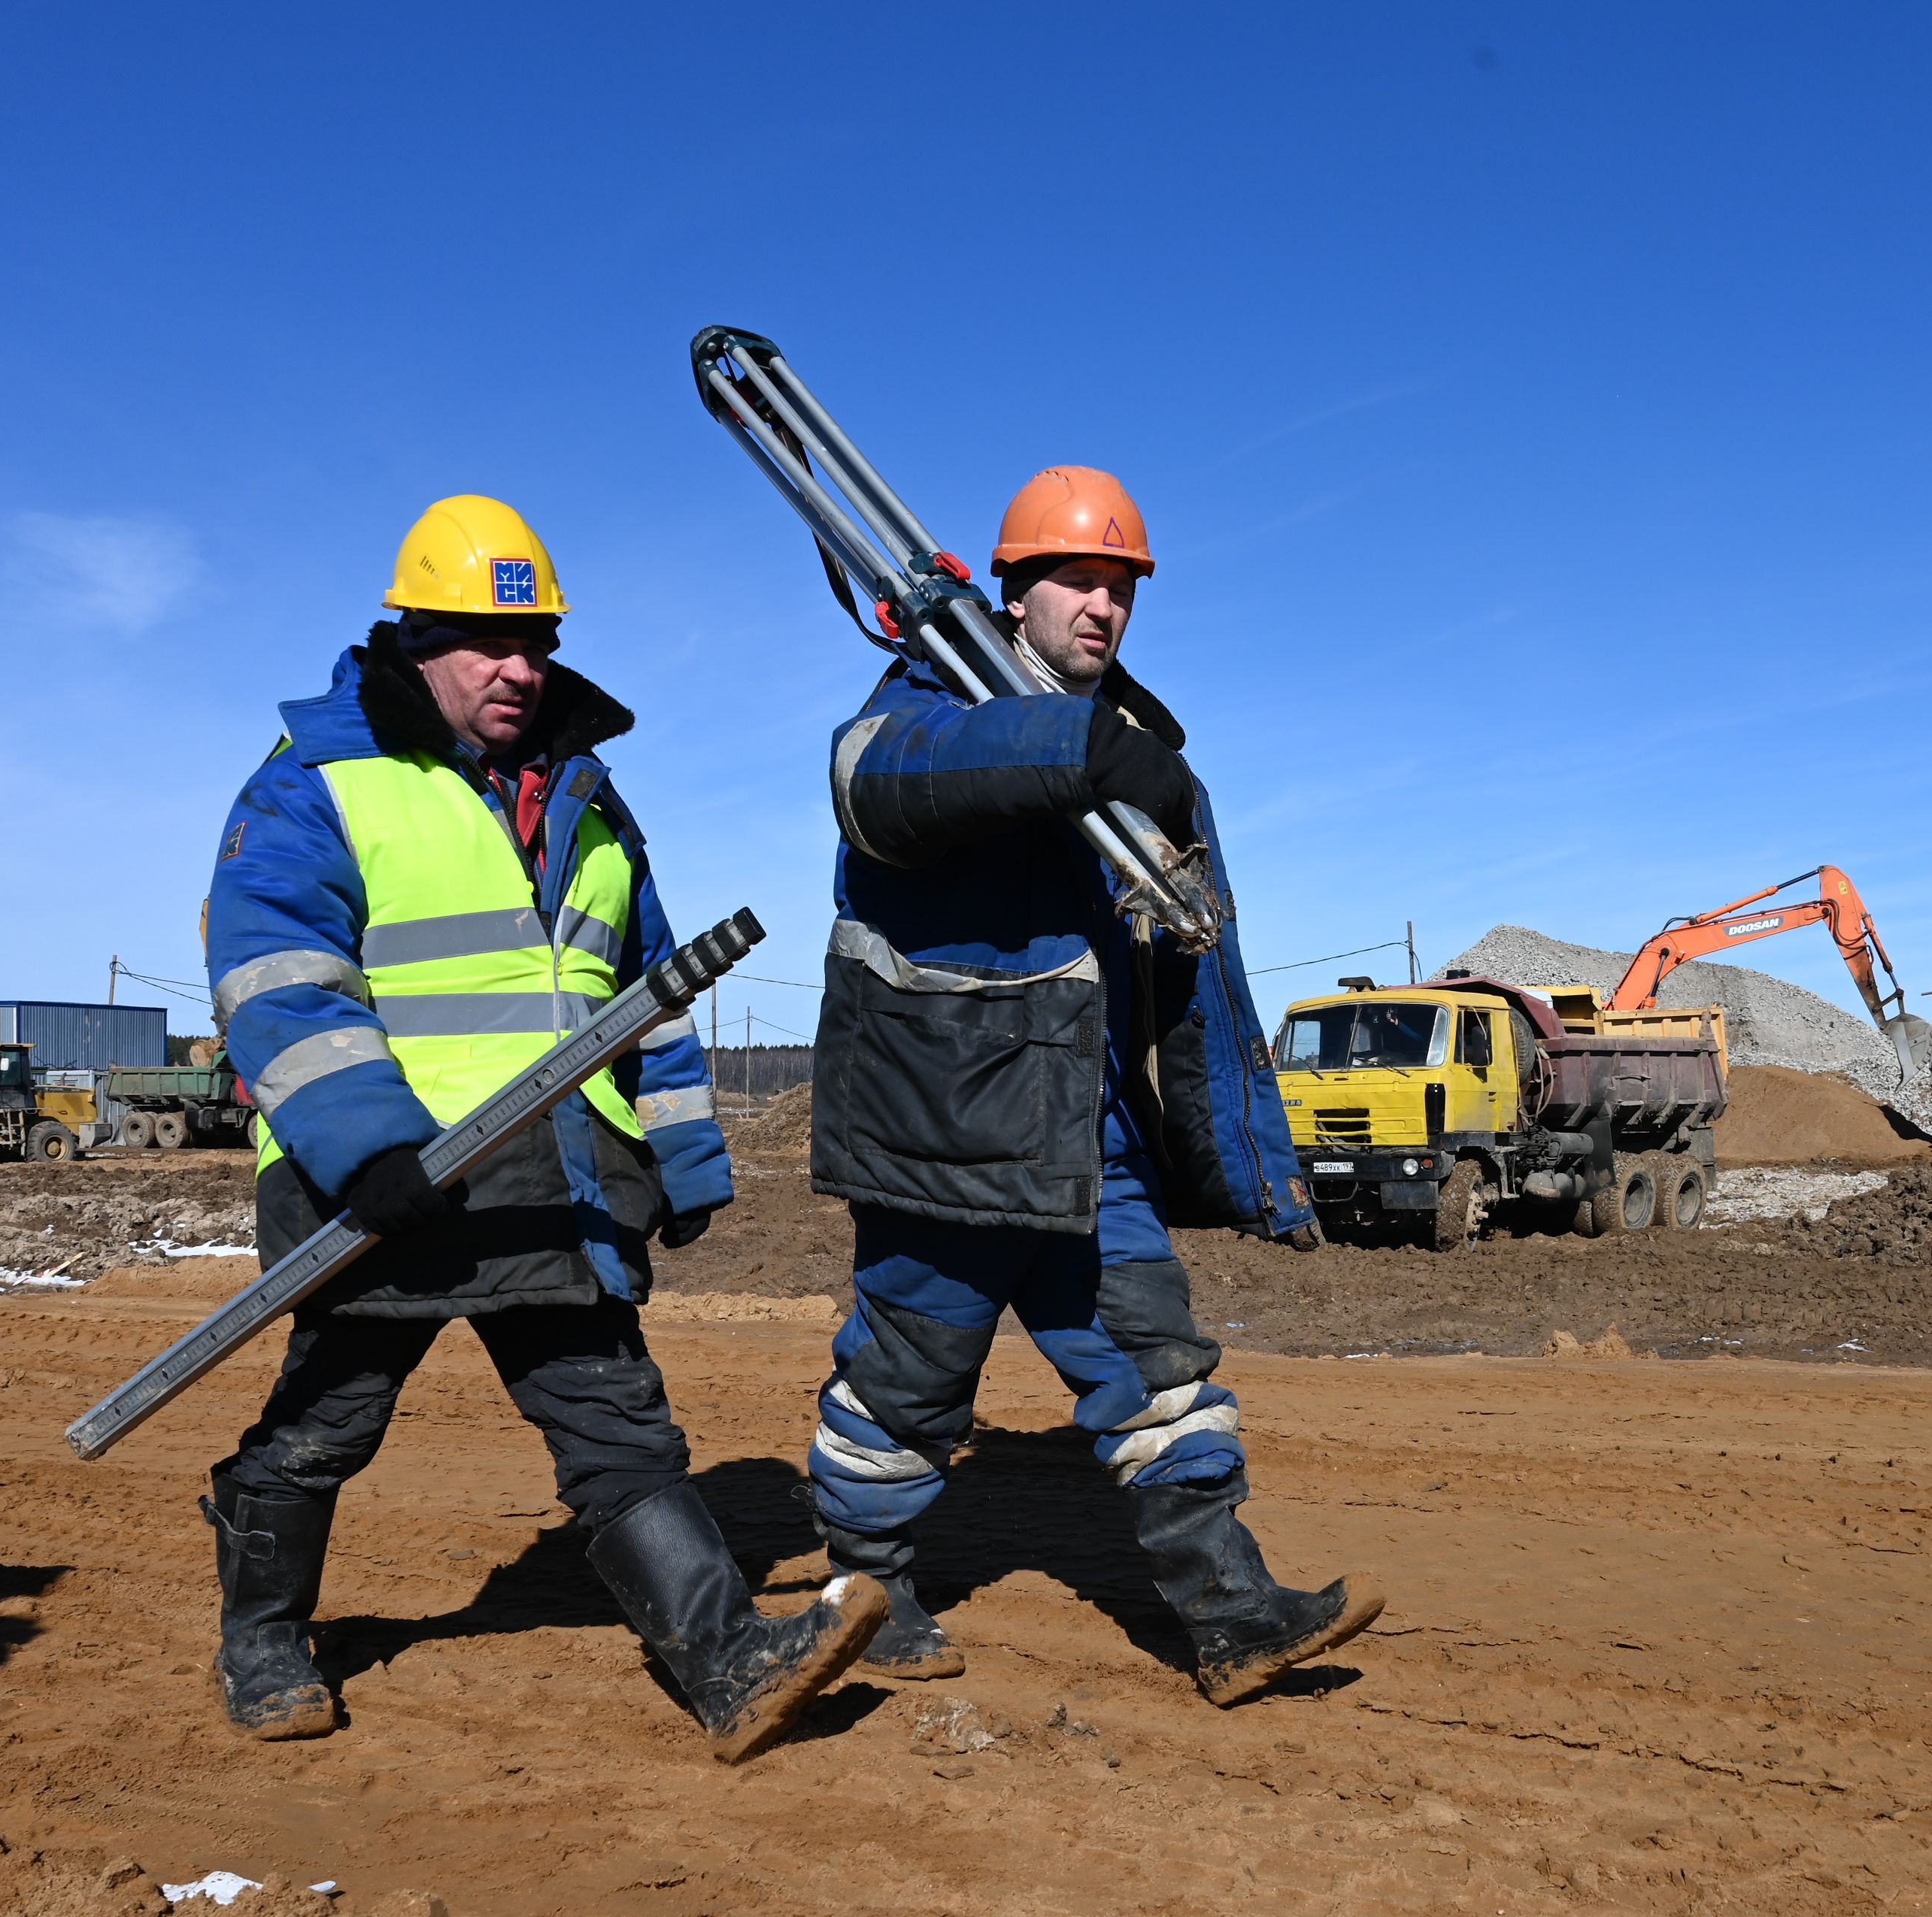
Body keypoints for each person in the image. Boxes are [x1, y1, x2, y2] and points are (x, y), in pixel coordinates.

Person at [199, 495, 884, 1762]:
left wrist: (679, 1151)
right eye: (484, 641)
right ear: (413, 639)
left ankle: (728, 1663)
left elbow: (648, 992)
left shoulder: (585, 798)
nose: (519, 668)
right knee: (325, 1426)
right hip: (389, 1185)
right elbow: (275, 972)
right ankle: (262, 1638)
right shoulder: (316, 787)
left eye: (537, 641)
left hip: (557, 1178)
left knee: (618, 1425)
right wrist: (365, 1145)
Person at [800, 466, 1382, 1700]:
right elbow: (875, 782)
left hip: (1087, 1134)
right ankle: (866, 1588)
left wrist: (1235, 1147)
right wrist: (1088, 749)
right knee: (908, 1382)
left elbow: (1195, 969)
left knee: (1159, 1368)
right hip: (943, 1130)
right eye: (1075, 577)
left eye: (1122, 586)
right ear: (1011, 591)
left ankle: (1232, 1614)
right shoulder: (929, 704)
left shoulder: (1134, 745)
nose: (1102, 606)